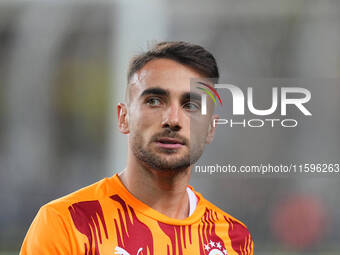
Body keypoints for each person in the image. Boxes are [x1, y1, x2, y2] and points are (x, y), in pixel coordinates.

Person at [20, 41, 254, 255]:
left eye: (191, 105)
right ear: (123, 118)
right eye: (154, 100)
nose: (173, 119)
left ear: (211, 128)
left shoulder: (233, 239)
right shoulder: (67, 223)